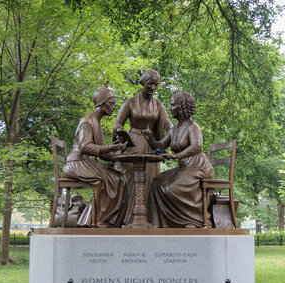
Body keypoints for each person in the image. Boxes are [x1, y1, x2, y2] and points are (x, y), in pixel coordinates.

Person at [142, 91, 214, 228]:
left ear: (181, 107)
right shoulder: (174, 130)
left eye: (173, 105)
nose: (170, 108)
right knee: (156, 183)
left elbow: (197, 146)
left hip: (197, 166)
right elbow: (160, 145)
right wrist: (150, 139)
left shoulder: (193, 127)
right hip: (184, 167)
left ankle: (196, 220)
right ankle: (162, 223)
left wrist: (177, 156)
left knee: (173, 188)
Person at [113, 69, 173, 224]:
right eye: (150, 83)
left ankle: (148, 218)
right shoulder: (131, 102)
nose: (153, 88)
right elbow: (118, 123)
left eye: (156, 85)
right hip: (132, 143)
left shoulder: (159, 106)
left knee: (150, 180)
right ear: (143, 83)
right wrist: (120, 132)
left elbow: (170, 127)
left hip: (150, 145)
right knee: (130, 179)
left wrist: (163, 142)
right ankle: (127, 218)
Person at [62, 87, 128, 227]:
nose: (113, 107)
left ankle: (106, 219)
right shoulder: (87, 122)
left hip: (87, 163)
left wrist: (118, 154)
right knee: (103, 180)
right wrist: (110, 148)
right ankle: (96, 220)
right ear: (101, 103)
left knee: (120, 178)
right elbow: (85, 147)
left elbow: (102, 153)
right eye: (111, 103)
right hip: (77, 163)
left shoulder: (97, 123)